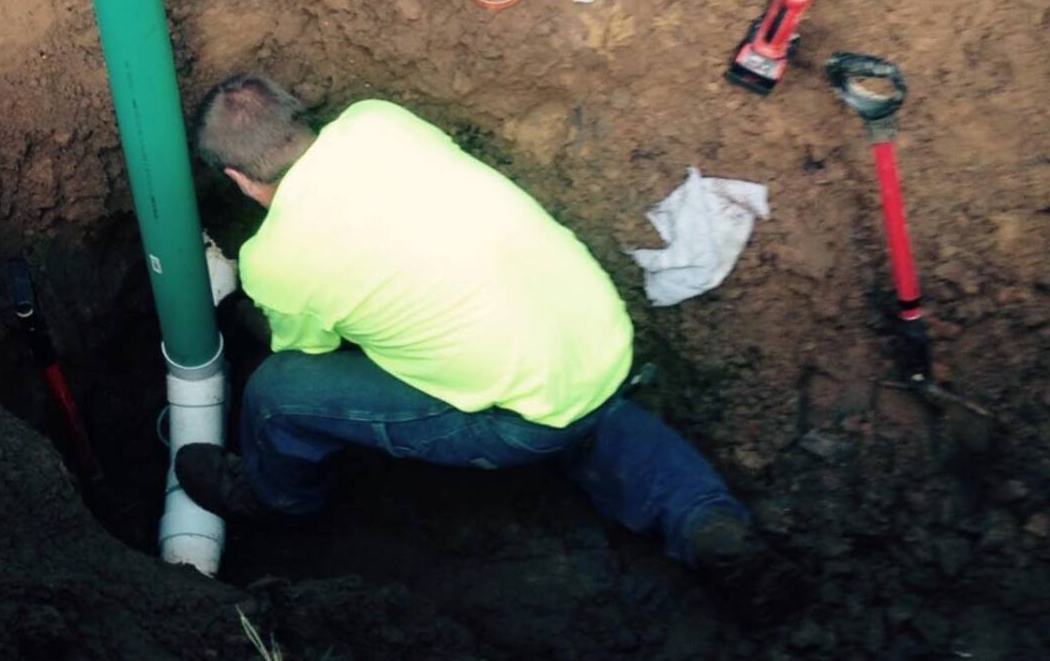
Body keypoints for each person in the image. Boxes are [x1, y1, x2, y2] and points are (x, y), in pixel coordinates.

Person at [174, 75, 756, 572]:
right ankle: (704, 518)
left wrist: (250, 306)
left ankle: (277, 501)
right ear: (299, 116)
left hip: (521, 418)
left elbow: (309, 353)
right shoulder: (378, 123)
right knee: (579, 401)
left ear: (238, 178)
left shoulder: (274, 262)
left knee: (278, 393)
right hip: (599, 333)